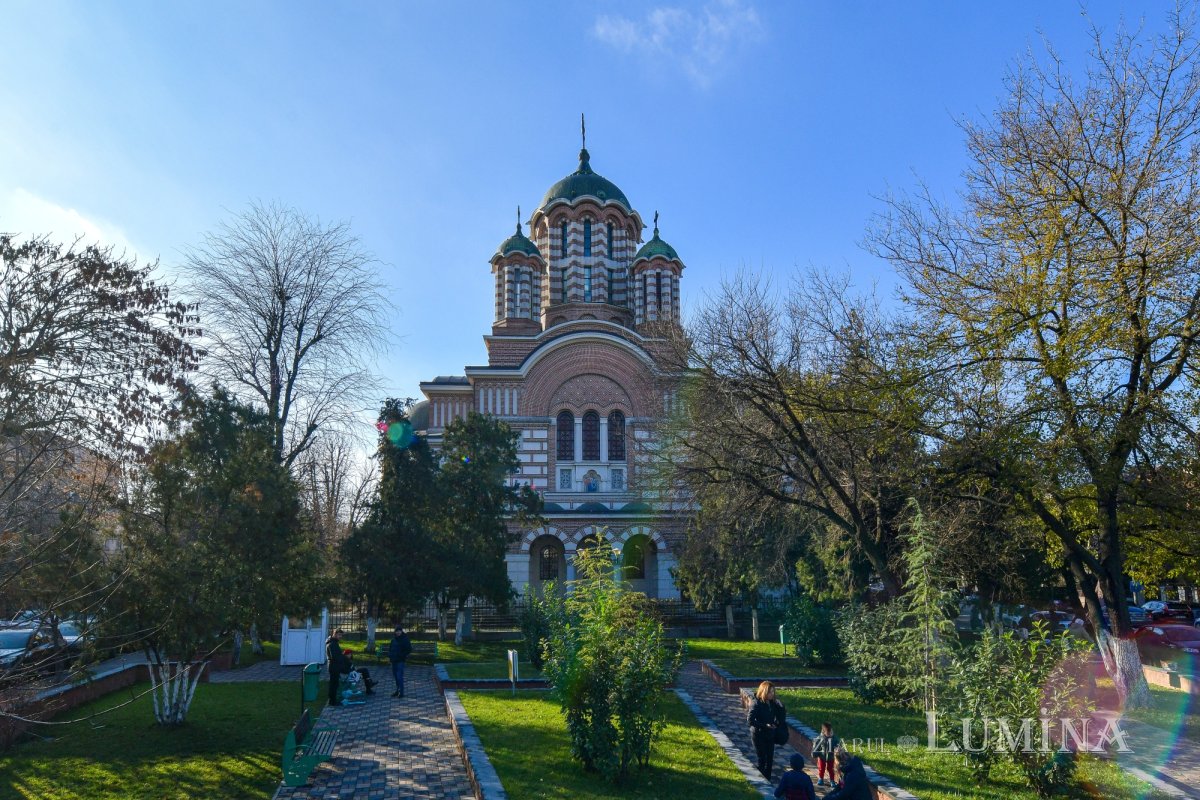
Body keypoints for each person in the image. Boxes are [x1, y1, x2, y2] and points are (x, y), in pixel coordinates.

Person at [747, 680, 786, 780]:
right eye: (770, 692)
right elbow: (750, 721)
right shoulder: (757, 703)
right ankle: (759, 780)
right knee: (762, 759)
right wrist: (765, 725)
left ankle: (767, 779)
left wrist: (781, 707)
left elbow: (781, 720)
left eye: (773, 692)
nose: (772, 694)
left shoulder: (773, 703)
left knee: (770, 759)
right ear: (764, 692)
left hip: (770, 734)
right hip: (758, 735)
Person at [325, 628, 351, 706]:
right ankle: (332, 701)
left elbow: (338, 655)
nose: (340, 637)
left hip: (334, 666)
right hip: (333, 667)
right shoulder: (332, 644)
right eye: (339, 635)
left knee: (334, 684)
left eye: (341, 635)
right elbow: (335, 657)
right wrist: (344, 658)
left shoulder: (333, 642)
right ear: (335, 634)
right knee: (333, 684)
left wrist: (343, 658)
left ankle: (332, 700)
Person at [812, 721, 841, 787]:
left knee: (831, 769)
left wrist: (837, 749)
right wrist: (815, 752)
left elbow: (838, 745)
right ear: (823, 732)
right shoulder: (820, 738)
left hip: (831, 757)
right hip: (822, 756)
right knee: (821, 768)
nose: (830, 734)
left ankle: (832, 780)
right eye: (828, 733)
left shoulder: (834, 738)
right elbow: (816, 745)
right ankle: (821, 778)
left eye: (830, 732)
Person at [388, 625, 413, 698]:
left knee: (399, 677)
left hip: (400, 661)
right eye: (396, 631)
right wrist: (390, 656)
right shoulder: (393, 640)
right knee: (395, 677)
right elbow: (390, 649)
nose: (398, 632)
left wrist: (402, 655)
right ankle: (397, 690)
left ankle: (401, 692)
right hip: (393, 661)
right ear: (395, 632)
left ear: (401, 631)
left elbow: (409, 649)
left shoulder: (405, 639)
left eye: (399, 631)